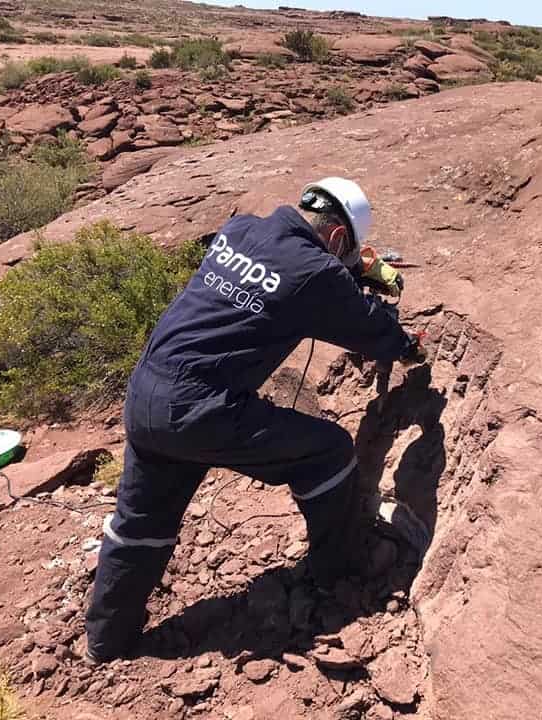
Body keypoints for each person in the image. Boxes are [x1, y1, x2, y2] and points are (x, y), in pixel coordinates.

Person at [84, 177, 426, 663]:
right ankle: (336, 570)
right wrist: (409, 345)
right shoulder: (316, 272)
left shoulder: (240, 230)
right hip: (201, 407)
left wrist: (345, 274)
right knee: (327, 454)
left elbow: (276, 279)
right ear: (335, 240)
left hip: (145, 395)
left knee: (140, 522)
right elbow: (369, 329)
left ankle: (106, 641)